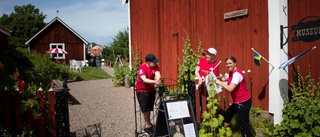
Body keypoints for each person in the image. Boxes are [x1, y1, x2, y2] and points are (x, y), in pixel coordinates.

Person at [214, 56, 252, 137]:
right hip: (238, 102)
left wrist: (219, 82)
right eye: (227, 64)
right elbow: (224, 78)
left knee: (244, 126)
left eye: (230, 63)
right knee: (227, 114)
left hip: (244, 102)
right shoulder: (232, 72)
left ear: (235, 63)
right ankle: (225, 132)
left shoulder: (237, 74)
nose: (228, 65)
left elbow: (231, 88)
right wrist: (214, 77)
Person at [135, 54, 161, 134]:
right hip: (142, 90)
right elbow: (144, 79)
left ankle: (149, 124)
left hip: (151, 89)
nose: (155, 63)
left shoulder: (155, 66)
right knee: (145, 109)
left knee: (149, 108)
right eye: (153, 62)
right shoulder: (142, 68)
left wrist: (157, 79)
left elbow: (157, 74)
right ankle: (147, 126)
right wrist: (155, 82)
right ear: (148, 62)